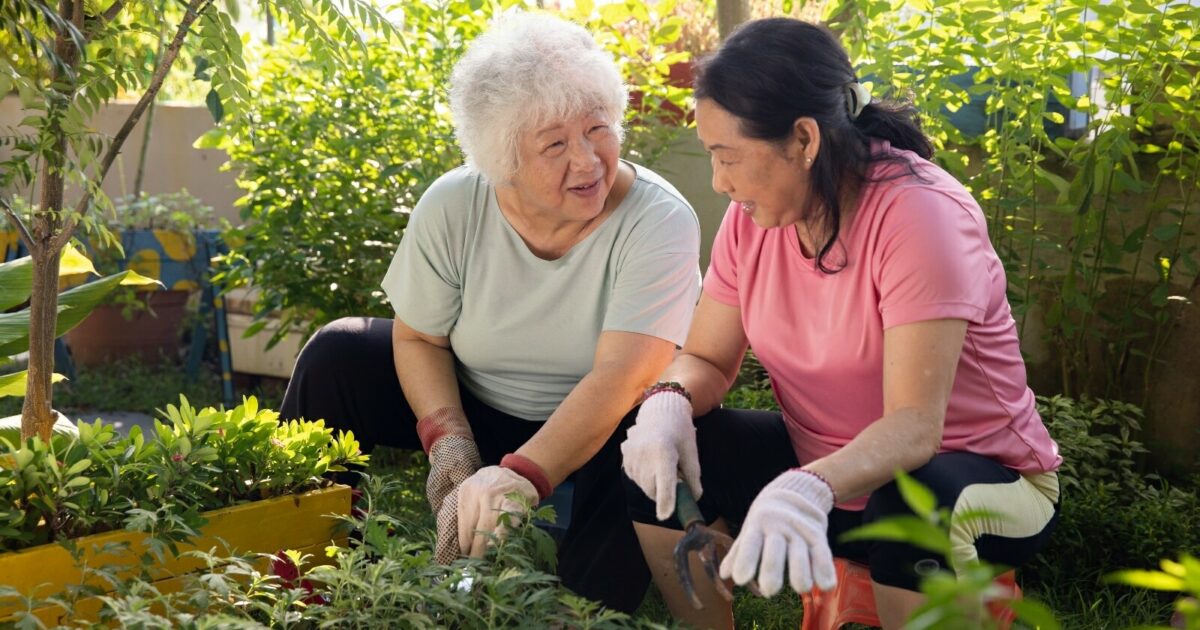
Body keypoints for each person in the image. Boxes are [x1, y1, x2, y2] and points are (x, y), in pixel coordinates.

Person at [620, 17, 1062, 629]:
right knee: (658, 464)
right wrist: (665, 402)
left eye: (728, 158)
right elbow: (708, 358)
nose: (719, 183)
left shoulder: (919, 216)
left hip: (981, 479)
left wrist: (806, 486)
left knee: (917, 505)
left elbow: (914, 429)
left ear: (804, 140)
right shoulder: (756, 219)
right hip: (825, 477)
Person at [280, 11, 701, 613]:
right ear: (503, 159)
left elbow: (623, 377)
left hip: (597, 422)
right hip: (479, 404)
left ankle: (578, 614)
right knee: (338, 352)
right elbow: (420, 338)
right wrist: (448, 438)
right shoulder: (455, 203)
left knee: (648, 422)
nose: (587, 161)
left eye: (598, 130)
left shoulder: (659, 219)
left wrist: (524, 475)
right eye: (555, 144)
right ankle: (299, 573)